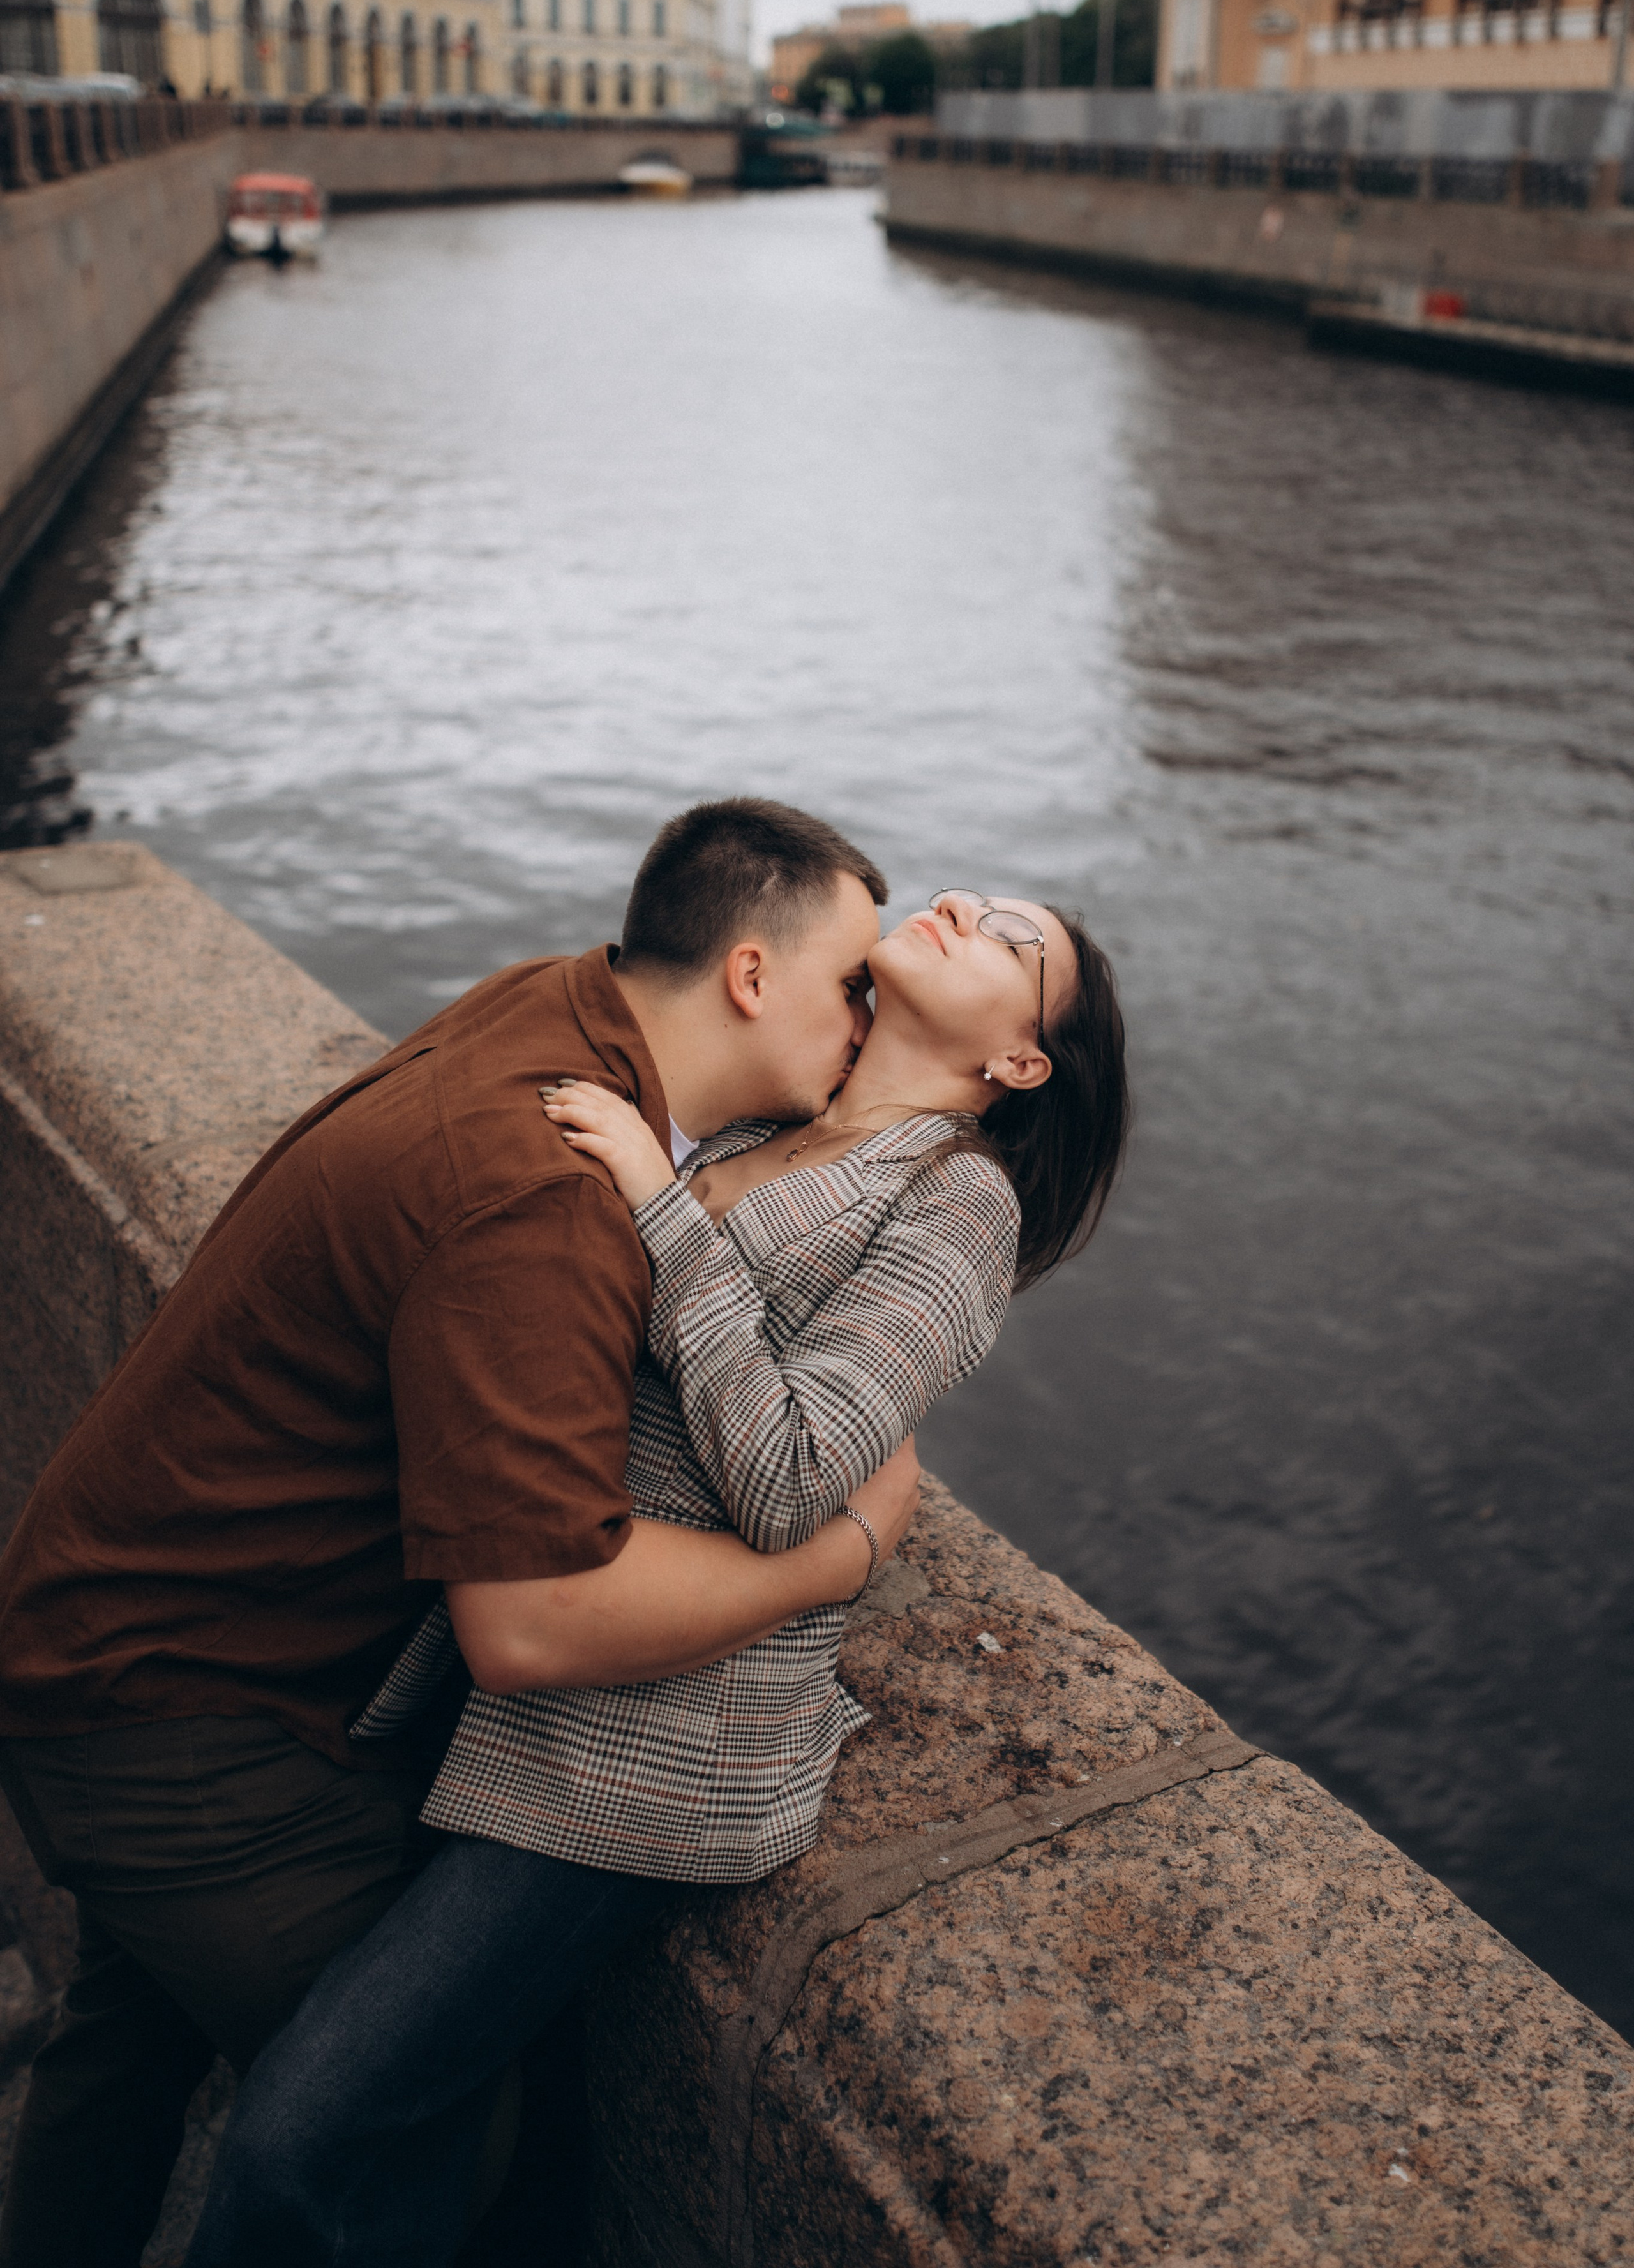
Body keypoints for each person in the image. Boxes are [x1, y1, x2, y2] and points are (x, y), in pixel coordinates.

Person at [0, 798, 929, 2268]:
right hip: (185, 1729)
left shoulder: (551, 1007)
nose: (869, 1019)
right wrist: (845, 1549)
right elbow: (533, 1618)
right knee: (422, 2145)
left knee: (127, 2042)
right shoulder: (537, 1196)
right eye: (852, 982)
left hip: (96, 1624)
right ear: (750, 974)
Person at [182, 882, 1130, 2267]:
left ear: (1020, 1064)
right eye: (968, 895)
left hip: (646, 1759)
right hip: (508, 1660)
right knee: (461, 2138)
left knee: (297, 2130)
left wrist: (651, 1195)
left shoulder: (956, 1203)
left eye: (1010, 937)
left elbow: (794, 1476)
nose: (959, 909)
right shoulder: (767, 1121)